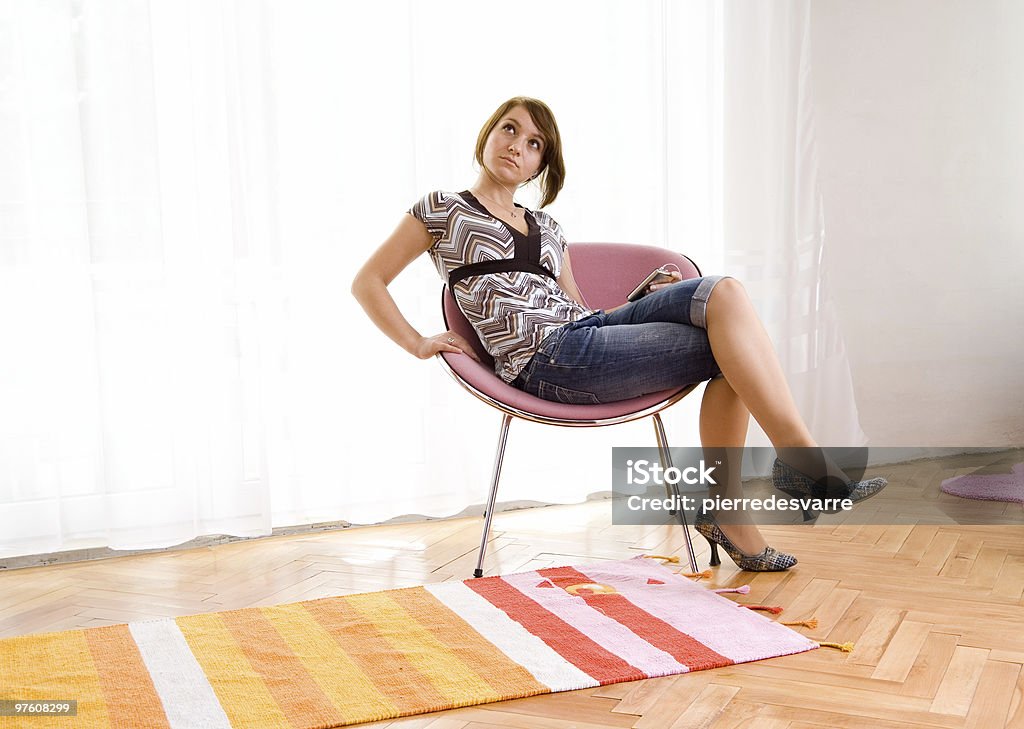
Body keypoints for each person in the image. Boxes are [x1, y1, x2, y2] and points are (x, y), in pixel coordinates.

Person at [351, 96, 885, 572]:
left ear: (542, 164)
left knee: (723, 292)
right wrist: (418, 342)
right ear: (487, 135)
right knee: (731, 351)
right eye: (509, 130)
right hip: (547, 361)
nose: (518, 146)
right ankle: (792, 472)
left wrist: (644, 300)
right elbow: (368, 281)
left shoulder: (548, 228)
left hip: (583, 335)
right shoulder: (441, 210)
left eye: (534, 143)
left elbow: (576, 310)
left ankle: (777, 476)